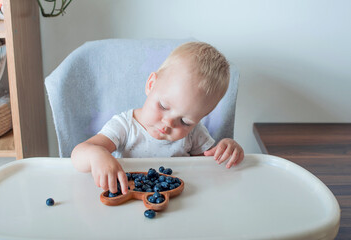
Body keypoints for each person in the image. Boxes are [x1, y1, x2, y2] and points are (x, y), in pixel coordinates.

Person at [71, 42, 244, 195]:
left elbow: (208, 170)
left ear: (200, 119)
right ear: (151, 85)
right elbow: (78, 155)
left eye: (185, 122)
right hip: (129, 197)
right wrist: (97, 155)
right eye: (163, 106)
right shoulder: (125, 126)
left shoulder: (195, 133)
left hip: (179, 204)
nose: (168, 123)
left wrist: (228, 150)